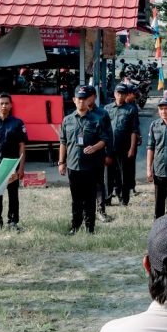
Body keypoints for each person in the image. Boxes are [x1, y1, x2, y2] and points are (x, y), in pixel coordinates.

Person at [59, 86, 114, 235]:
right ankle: (75, 226)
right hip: (73, 165)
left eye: (84, 99)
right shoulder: (67, 120)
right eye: (79, 99)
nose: (81, 102)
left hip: (91, 166)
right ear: (74, 100)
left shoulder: (96, 119)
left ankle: (90, 228)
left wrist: (95, 148)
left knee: (90, 198)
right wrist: (61, 162)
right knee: (76, 199)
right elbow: (63, 142)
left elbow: (104, 139)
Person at [0, 93, 27, 231]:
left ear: (11, 105)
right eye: (1, 103)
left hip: (12, 166)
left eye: (7, 103)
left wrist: (21, 168)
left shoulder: (18, 123)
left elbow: (22, 146)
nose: (4, 106)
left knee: (13, 195)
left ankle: (13, 221)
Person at [85, 88, 116, 224]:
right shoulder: (79, 113)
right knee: (84, 184)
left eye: (89, 96)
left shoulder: (102, 114)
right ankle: (85, 210)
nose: (87, 99)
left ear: (95, 97)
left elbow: (109, 135)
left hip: (98, 154)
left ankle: (101, 210)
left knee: (98, 183)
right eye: (84, 97)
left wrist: (109, 154)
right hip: (82, 156)